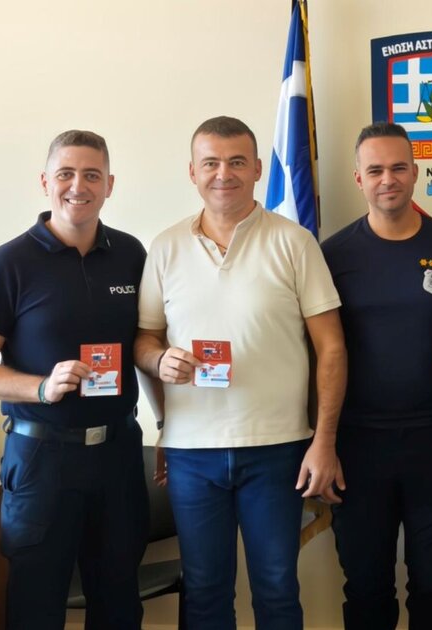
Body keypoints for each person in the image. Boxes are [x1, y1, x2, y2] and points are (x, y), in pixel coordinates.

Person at [134, 116, 347, 630]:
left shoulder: (294, 241)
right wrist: (159, 361)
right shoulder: (165, 247)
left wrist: (324, 441)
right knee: (205, 592)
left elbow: (332, 348)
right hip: (191, 452)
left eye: (236, 162)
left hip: (277, 448)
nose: (223, 173)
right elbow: (143, 341)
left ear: (257, 169)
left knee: (276, 587)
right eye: (210, 163)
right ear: (192, 172)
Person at [0, 130, 149, 629]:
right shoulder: (9, 263)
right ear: (45, 182)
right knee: (36, 607)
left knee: (119, 603)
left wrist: (169, 424)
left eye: (91, 175)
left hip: (118, 454)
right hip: (43, 458)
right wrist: (41, 387)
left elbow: (147, 344)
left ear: (110, 185)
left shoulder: (132, 255)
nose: (78, 186)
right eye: (65, 173)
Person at [322, 122, 432, 629]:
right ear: (358, 179)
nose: (388, 179)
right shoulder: (332, 255)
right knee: (366, 586)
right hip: (357, 445)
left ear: (416, 173)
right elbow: (319, 353)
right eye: (375, 170)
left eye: (398, 168)